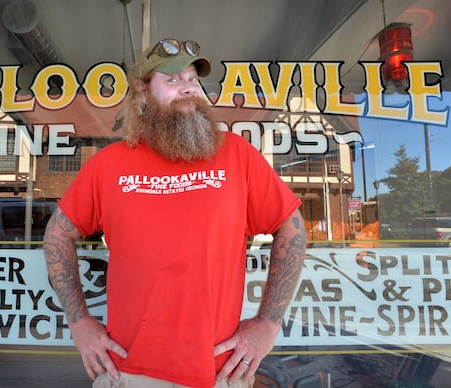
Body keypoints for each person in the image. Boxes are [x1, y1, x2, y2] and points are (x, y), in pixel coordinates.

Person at [44, 38, 307, 388]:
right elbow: (57, 234)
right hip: (129, 372)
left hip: (219, 372)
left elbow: (292, 229)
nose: (188, 87)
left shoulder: (237, 156)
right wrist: (80, 323)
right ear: (142, 94)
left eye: (193, 79)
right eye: (172, 80)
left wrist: (268, 324)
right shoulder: (107, 166)